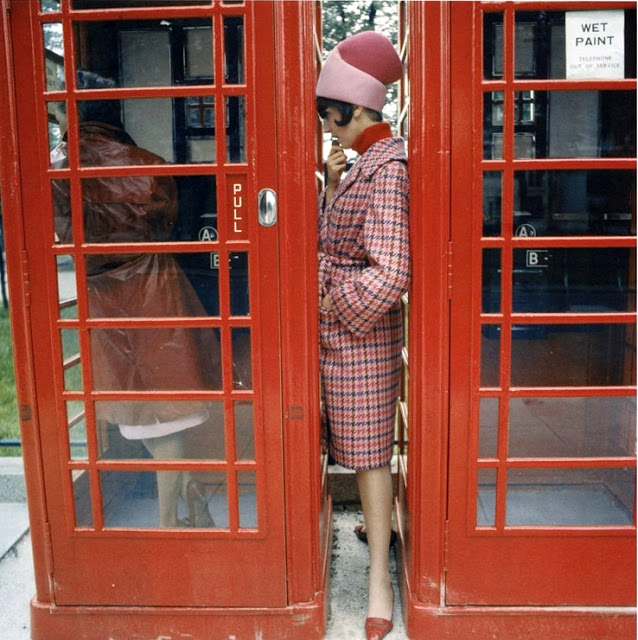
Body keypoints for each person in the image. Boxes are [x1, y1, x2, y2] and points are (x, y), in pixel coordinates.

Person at [51, 70, 221, 528]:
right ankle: (178, 506)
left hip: (102, 293)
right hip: (155, 287)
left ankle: (172, 514)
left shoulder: (60, 169)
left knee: (139, 408)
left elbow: (63, 231)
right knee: (165, 406)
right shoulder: (148, 163)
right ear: (114, 109)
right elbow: (167, 222)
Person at [316, 32, 410, 640]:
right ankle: (382, 530)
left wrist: (333, 298)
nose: (326, 123)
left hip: (361, 338)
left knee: (371, 459)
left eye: (330, 113)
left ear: (356, 109)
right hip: (336, 337)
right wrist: (329, 187)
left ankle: (379, 578)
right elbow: (340, 241)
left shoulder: (387, 168)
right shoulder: (360, 165)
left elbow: (393, 269)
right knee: (350, 449)